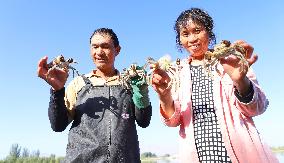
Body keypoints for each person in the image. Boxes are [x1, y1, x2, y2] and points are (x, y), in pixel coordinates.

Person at [151, 8, 278, 163]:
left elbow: (257, 108)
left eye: (197, 31)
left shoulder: (232, 62)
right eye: (185, 34)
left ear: (209, 33)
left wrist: (240, 80)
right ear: (180, 40)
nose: (192, 39)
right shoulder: (177, 72)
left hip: (240, 154)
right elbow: (173, 121)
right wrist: (164, 96)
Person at [37, 28, 152, 163]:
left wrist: (141, 91)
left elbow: (144, 122)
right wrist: (57, 90)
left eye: (105, 46)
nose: (99, 52)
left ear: (117, 50)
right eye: (95, 47)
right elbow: (58, 126)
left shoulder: (130, 83)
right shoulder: (78, 83)